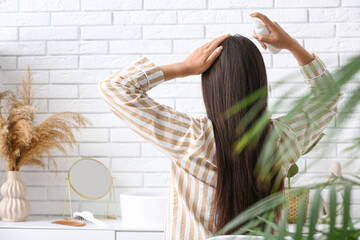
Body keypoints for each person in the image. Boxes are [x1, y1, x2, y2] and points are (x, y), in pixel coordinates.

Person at [98, 12, 342, 240]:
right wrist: (291, 46)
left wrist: (184, 68)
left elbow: (115, 88)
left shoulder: (191, 138)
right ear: (260, 84)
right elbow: (327, 98)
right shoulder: (280, 140)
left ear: (209, 86)